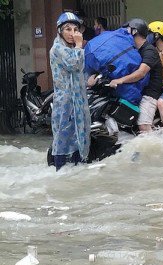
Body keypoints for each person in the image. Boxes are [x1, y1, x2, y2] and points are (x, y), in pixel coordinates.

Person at [49, 12, 91, 170]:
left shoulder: (72, 49)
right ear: (60, 31)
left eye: (75, 29)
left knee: (79, 134)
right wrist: (80, 45)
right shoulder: (58, 48)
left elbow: (80, 70)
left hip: (78, 99)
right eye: (68, 29)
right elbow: (74, 64)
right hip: (65, 101)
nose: (72, 33)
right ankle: (60, 169)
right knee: (64, 136)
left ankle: (78, 168)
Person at [110, 19, 163, 133]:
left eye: (127, 31)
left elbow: (141, 73)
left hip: (149, 93)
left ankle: (153, 149)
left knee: (143, 126)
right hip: (135, 90)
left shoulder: (149, 50)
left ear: (134, 32)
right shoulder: (133, 50)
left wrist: (120, 80)